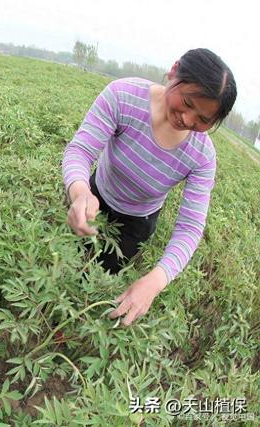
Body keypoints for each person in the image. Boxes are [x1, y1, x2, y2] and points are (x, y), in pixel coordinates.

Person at [62, 48, 236, 326]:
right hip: (94, 193)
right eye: (188, 102)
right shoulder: (124, 95)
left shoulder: (202, 155)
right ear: (174, 70)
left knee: (99, 276)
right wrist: (80, 192)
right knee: (65, 255)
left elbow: (190, 227)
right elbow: (80, 151)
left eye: (204, 120)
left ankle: (73, 324)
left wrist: (156, 280)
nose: (189, 120)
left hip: (136, 223)